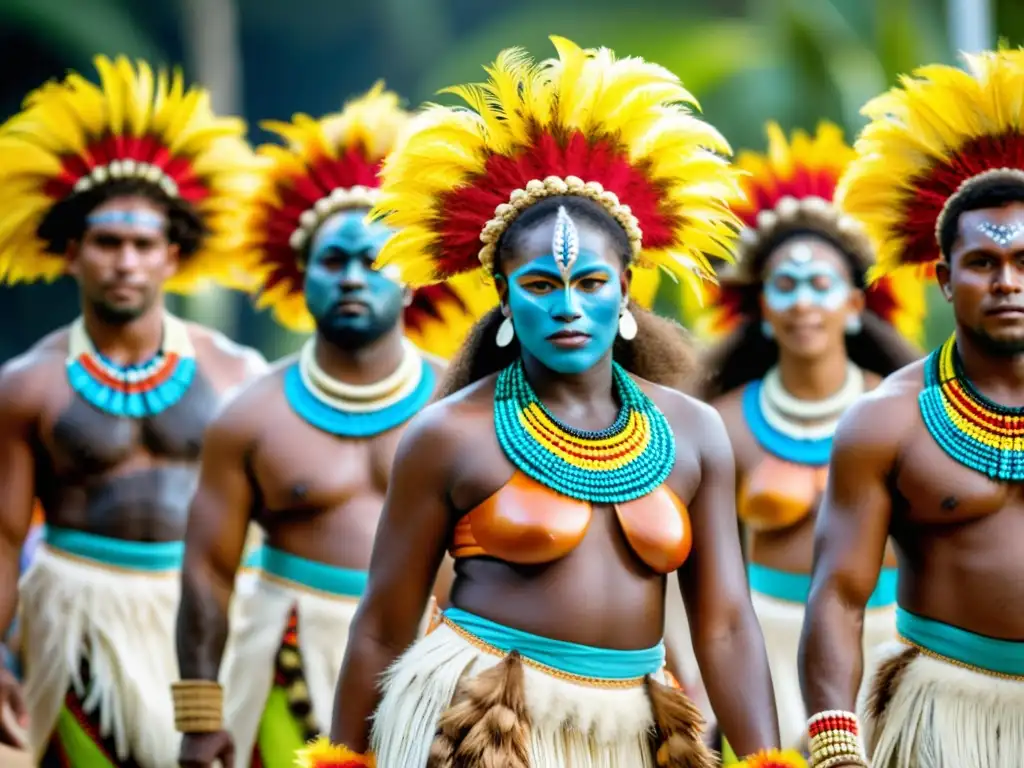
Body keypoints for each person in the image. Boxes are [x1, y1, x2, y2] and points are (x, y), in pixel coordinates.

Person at [296, 36, 806, 768]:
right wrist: (345, 759)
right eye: (540, 285)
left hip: (635, 727)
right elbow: (383, 622)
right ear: (503, 296)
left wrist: (765, 760)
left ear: (625, 291)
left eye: (591, 283)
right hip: (476, 724)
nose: (568, 305)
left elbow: (725, 623)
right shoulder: (451, 435)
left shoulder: (692, 432)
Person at [173, 83, 489, 768]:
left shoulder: (467, 403)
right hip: (282, 662)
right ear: (302, 277)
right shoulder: (250, 416)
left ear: (409, 281)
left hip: (442, 670)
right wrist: (199, 719)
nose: (352, 278)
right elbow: (206, 574)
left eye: (373, 262)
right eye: (332, 261)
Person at [0, 55, 264, 767]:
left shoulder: (238, 374)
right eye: (107, 243)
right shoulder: (28, 386)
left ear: (173, 255)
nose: (126, 261)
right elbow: (1, 538)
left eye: (143, 244)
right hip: (79, 617)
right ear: (69, 254)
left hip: (217, 622)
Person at [799, 48, 1024, 768]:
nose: (1007, 283)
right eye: (984, 264)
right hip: (944, 717)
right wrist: (837, 746)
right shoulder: (886, 422)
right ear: (944, 280)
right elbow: (837, 595)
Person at [698, 122, 924, 756]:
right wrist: (690, 676)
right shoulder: (722, 423)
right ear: (762, 307)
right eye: (785, 286)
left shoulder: (907, 411)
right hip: (765, 647)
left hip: (894, 642)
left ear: (856, 305)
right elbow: (695, 574)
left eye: (821, 285)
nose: (804, 303)